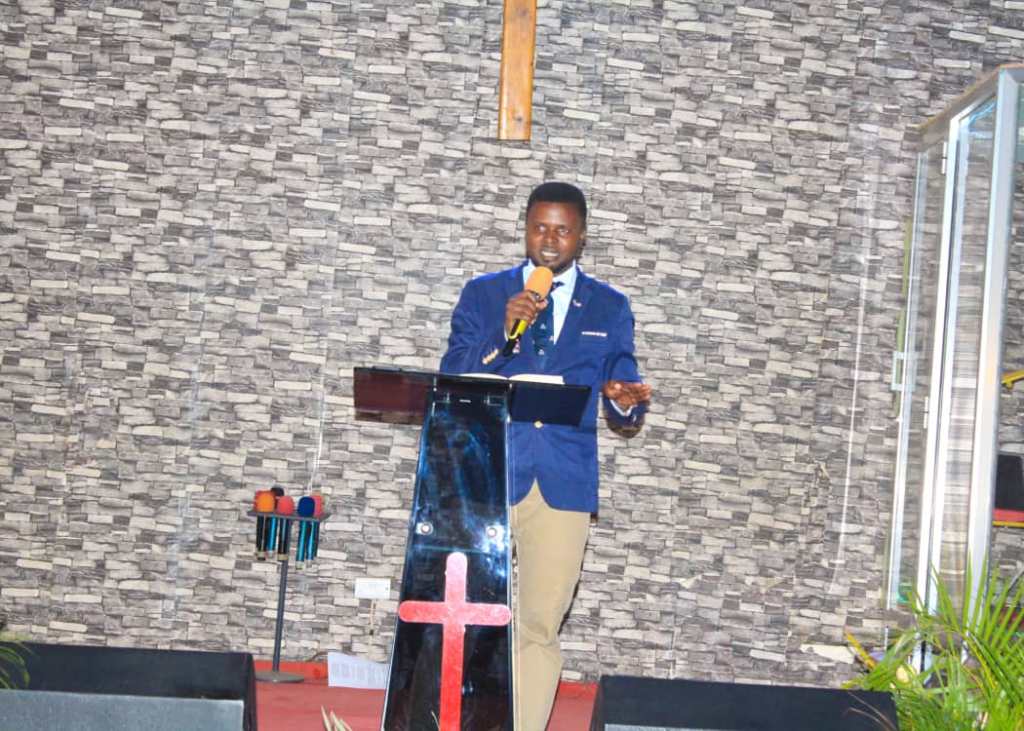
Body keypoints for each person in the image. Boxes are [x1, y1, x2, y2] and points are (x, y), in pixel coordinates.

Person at [440, 181, 651, 730]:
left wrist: (624, 401)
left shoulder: (609, 305)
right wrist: (503, 333)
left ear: (581, 236)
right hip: (489, 472)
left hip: (563, 481)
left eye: (562, 230)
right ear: (525, 229)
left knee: (539, 624)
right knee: (470, 619)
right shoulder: (485, 294)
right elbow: (454, 374)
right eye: (539, 227)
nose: (549, 240)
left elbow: (622, 379)